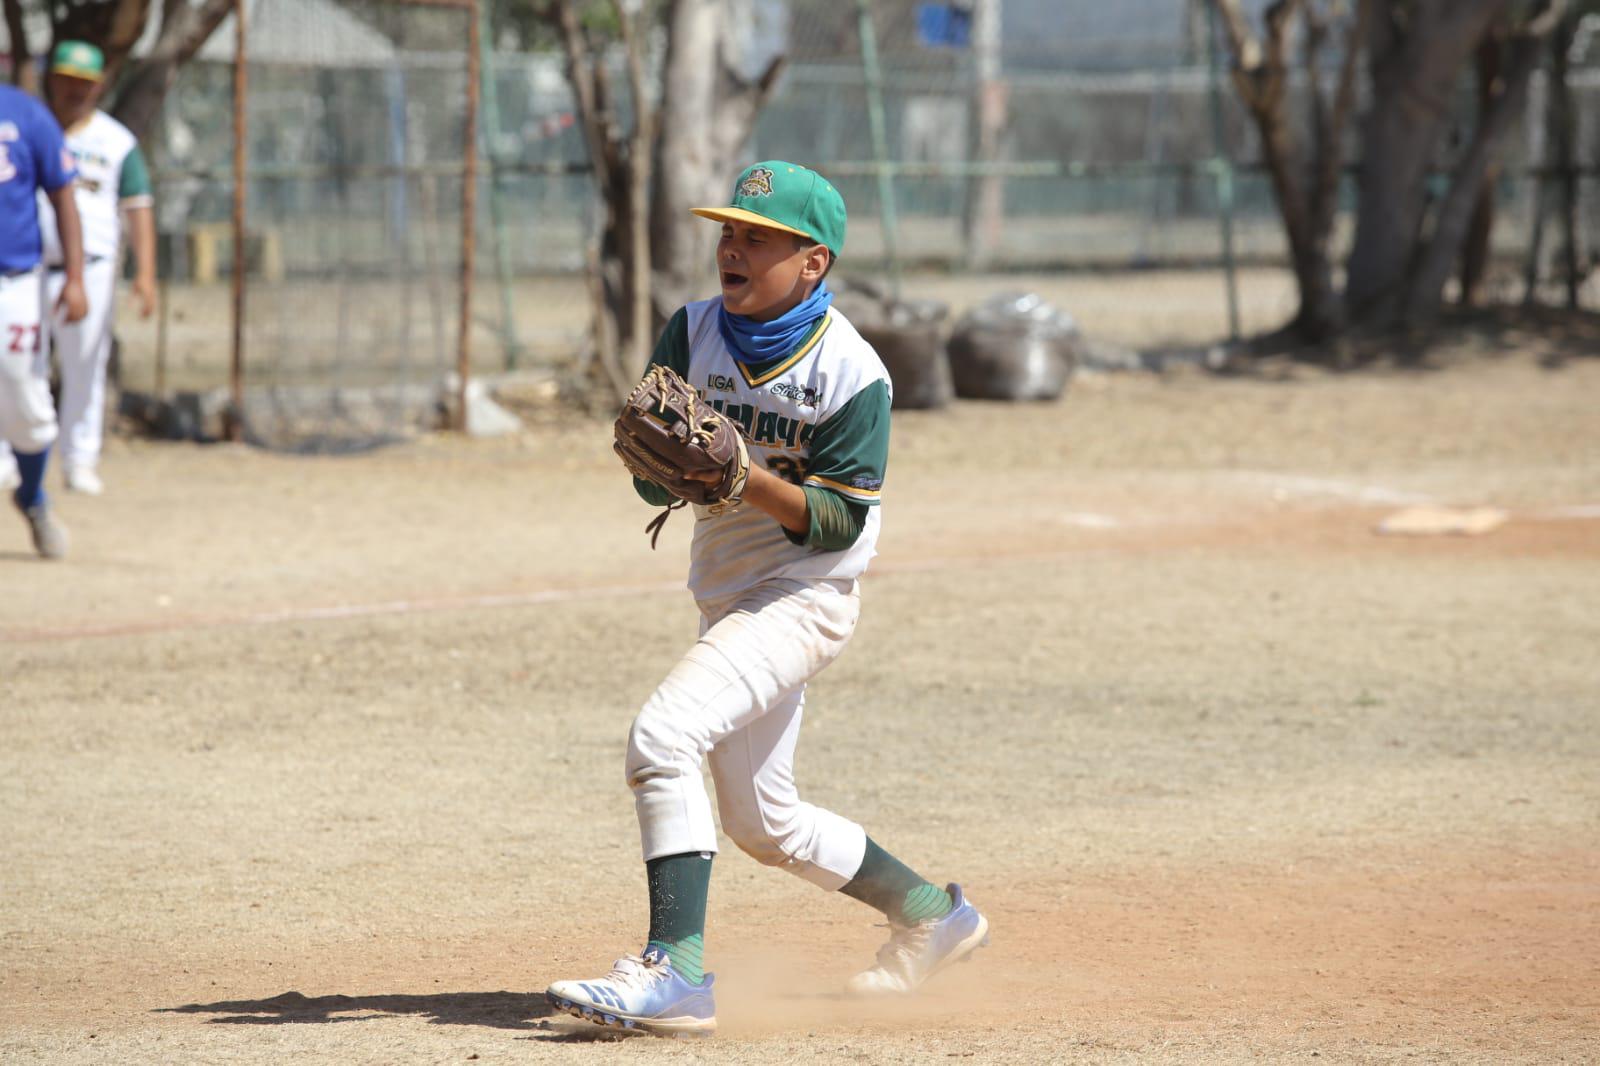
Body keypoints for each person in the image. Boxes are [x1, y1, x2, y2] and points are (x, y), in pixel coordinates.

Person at [544, 162, 989, 1037]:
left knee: (662, 736)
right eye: (727, 231)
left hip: (806, 596)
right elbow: (652, 483)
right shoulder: (692, 330)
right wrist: (663, 466)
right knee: (765, 823)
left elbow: (835, 523)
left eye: (756, 236)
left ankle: (677, 973)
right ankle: (936, 915)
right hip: (729, 597)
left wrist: (741, 474)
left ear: (812, 262)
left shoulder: (854, 373)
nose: (731, 248)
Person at [29, 40, 157, 496]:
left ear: (100, 85)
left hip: (94, 269)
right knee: (20, 366)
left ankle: (79, 458)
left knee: (85, 365)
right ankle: (12, 456)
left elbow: (137, 205)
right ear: (52, 79)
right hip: (28, 268)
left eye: (84, 83)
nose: (74, 91)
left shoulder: (116, 141)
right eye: (66, 80)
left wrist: (145, 273)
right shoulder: (28, 127)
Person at [0, 80, 87, 559]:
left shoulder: (25, 114)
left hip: (14, 284)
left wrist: (75, 278)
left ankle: (32, 497)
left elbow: (63, 196)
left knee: (24, 399)